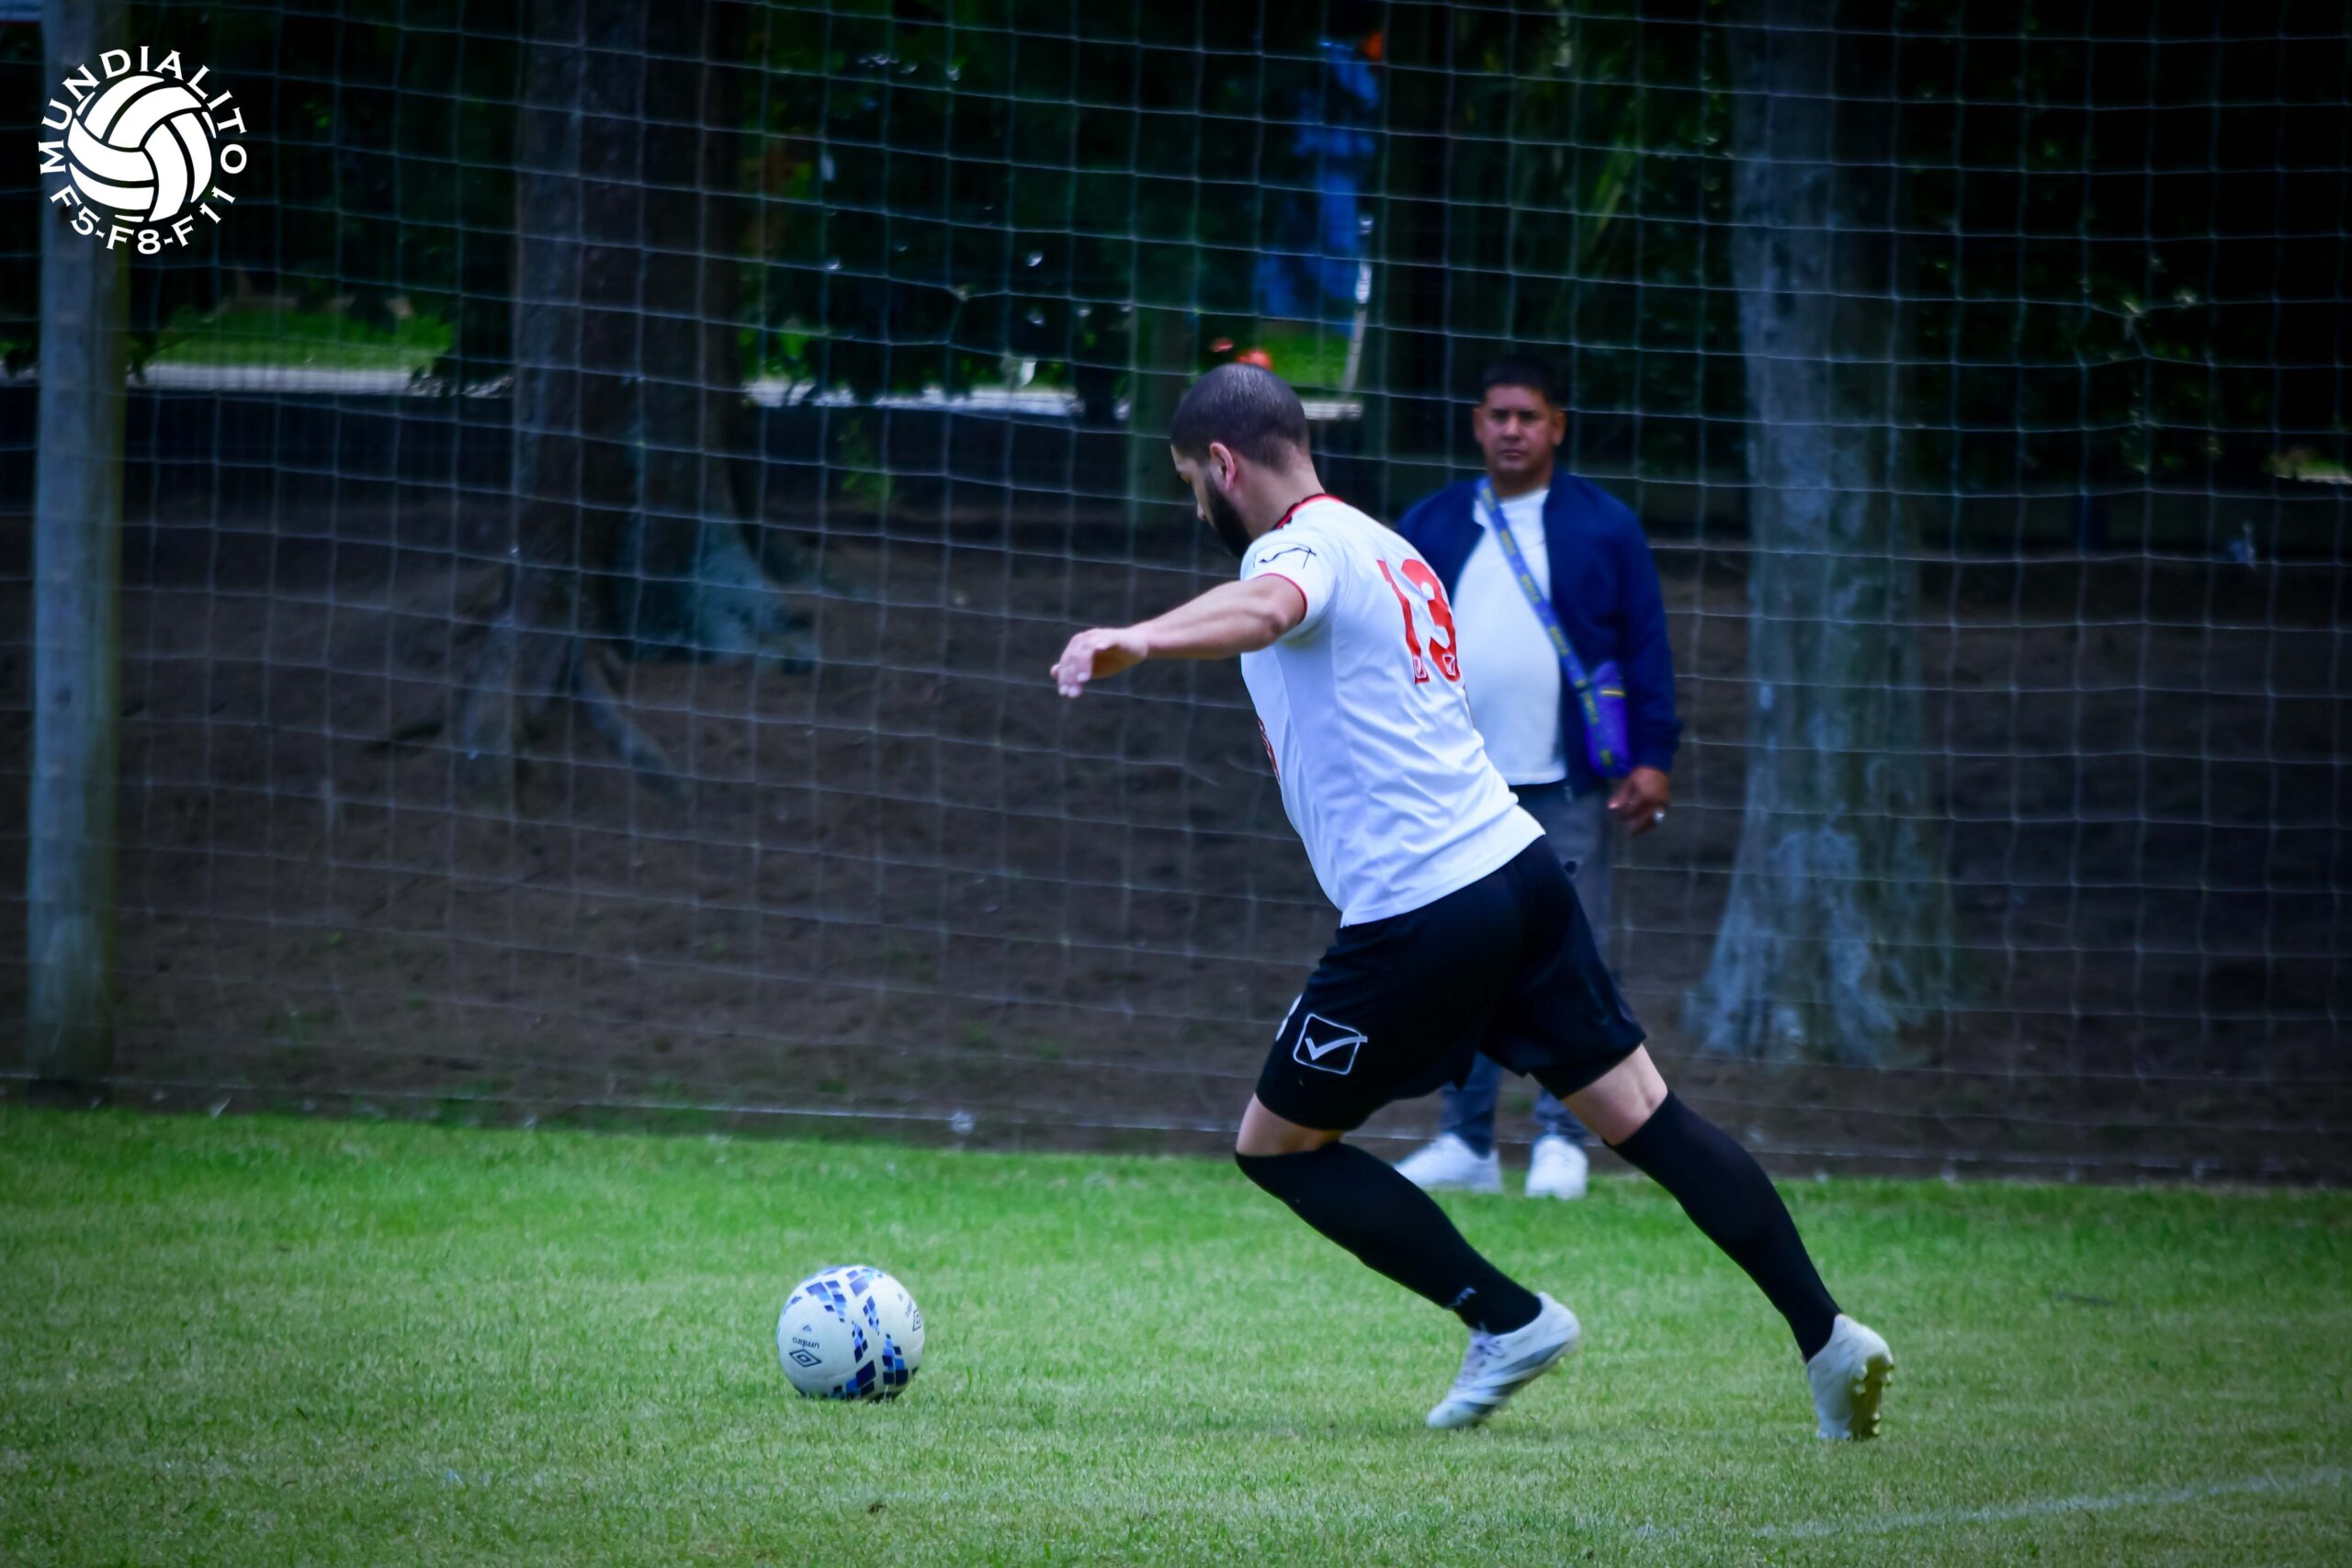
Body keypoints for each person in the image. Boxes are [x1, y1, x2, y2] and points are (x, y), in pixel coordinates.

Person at [1048, 364, 1894, 1438]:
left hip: (1422, 908)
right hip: (1519, 873)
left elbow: (1268, 605)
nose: (1195, 507)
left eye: (1189, 484)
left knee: (1275, 1147)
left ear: (1223, 464)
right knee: (1647, 1118)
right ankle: (1827, 1336)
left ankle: (1508, 1318)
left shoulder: (1293, 550)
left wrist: (1140, 637)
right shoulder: (1391, 545)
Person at [1386, 356, 1680, 1202]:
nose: (1511, 429)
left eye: (1528, 415)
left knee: (1570, 959)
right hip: (1456, 788)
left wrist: (1653, 756)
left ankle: (1562, 1136)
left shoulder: (1605, 527)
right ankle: (1466, 1139)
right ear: (1476, 423)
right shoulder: (1431, 523)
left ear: (1557, 425)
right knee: (1461, 954)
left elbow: (1645, 645)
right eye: (1498, 414)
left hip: (1568, 785)